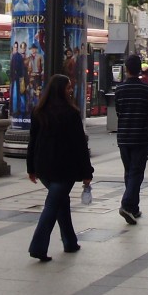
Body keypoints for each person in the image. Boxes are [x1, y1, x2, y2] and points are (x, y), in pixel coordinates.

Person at [26, 74, 94, 261]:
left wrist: (31, 167)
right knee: (53, 205)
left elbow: (32, 142)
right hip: (64, 168)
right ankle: (38, 246)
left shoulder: (38, 111)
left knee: (61, 202)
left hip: (43, 167)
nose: (71, 90)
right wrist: (87, 172)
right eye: (68, 87)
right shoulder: (71, 114)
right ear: (60, 90)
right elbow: (80, 145)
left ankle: (70, 241)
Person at [114, 54, 148, 226]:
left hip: (124, 136)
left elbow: (118, 111)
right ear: (140, 69)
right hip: (141, 136)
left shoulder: (120, 90)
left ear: (126, 70)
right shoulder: (146, 90)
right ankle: (127, 204)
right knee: (136, 172)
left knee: (129, 171)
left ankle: (133, 207)